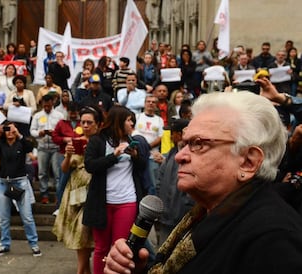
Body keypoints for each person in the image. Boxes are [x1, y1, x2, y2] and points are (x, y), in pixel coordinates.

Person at [104, 91, 302, 274]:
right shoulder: (206, 213)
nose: (180, 156)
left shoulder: (273, 241)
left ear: (248, 162)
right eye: (184, 143)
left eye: (198, 144)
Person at [83, 105, 147, 274]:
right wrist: (114, 156)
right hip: (102, 203)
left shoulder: (132, 140)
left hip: (127, 200)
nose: (131, 122)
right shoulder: (97, 140)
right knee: (101, 248)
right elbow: (90, 165)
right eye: (128, 120)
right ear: (118, 121)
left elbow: (142, 167)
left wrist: (135, 155)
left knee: (121, 248)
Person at [52, 105, 104, 274]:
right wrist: (67, 155)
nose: (86, 125)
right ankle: (82, 269)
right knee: (78, 234)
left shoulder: (101, 142)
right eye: (83, 122)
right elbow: (65, 169)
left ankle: (82, 270)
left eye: (90, 122)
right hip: (75, 190)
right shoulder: (76, 140)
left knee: (89, 234)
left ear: (98, 124)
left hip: (94, 190)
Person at [0, 122, 42, 257]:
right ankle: (5, 244)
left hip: (20, 182)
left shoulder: (21, 143)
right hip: (3, 183)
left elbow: (30, 147)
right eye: (7, 129)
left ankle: (34, 244)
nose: (9, 132)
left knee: (27, 216)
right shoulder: (1, 143)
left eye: (11, 129)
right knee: (4, 217)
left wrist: (18, 134)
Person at [30, 94, 63, 204]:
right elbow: (32, 131)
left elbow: (63, 130)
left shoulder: (59, 115)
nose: (47, 107)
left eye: (48, 105)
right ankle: (44, 194)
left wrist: (55, 133)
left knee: (57, 173)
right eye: (45, 105)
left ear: (52, 103)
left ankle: (58, 195)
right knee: (42, 172)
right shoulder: (37, 116)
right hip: (42, 147)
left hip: (56, 147)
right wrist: (40, 133)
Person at [51, 102, 83, 215]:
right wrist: (64, 139)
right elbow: (54, 137)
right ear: (68, 112)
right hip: (63, 154)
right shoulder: (61, 123)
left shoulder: (82, 123)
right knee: (62, 180)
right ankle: (59, 206)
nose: (73, 115)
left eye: (75, 113)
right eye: (71, 113)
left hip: (79, 155)